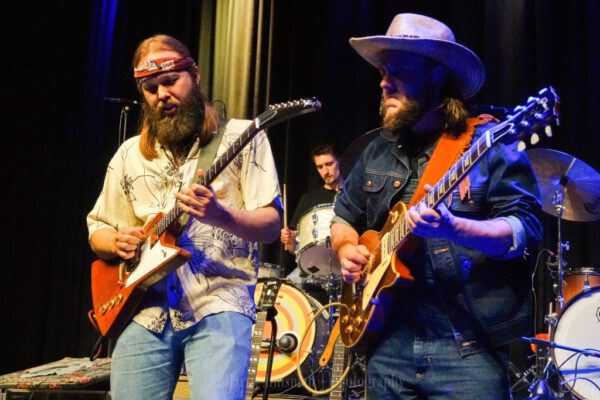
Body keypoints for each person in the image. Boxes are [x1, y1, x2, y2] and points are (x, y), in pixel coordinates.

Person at [330, 14, 542, 399]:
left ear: (437, 75)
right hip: (389, 345)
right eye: (383, 71)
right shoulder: (376, 150)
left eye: (399, 70)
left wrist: (454, 227)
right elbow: (343, 216)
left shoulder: (488, 143)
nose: (384, 82)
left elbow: (523, 230)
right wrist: (346, 248)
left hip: (468, 349)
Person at [87, 34, 282, 400]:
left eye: (171, 81)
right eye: (151, 88)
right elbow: (98, 230)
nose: (162, 94)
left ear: (195, 76)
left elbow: (271, 226)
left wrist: (220, 215)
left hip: (219, 302)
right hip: (143, 311)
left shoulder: (243, 136)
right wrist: (116, 241)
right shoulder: (129, 155)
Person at [280, 143, 343, 286]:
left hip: (347, 263)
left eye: (329, 164)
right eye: (320, 167)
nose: (325, 172)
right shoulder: (309, 199)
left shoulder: (353, 195)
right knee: (285, 290)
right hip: (316, 268)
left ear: (339, 161)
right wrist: (290, 241)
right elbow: (297, 249)